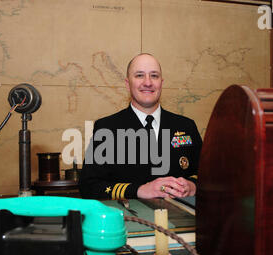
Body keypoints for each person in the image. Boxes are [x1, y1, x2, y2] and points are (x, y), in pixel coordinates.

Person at [79, 53, 202, 200]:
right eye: (139, 75)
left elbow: (212, 176)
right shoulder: (107, 128)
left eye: (154, 76)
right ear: (127, 83)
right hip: (131, 219)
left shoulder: (186, 126)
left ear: (161, 83)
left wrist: (192, 185)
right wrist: (139, 190)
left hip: (183, 220)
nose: (148, 82)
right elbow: (88, 186)